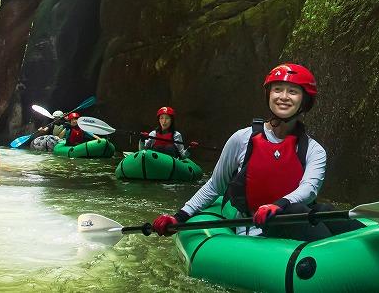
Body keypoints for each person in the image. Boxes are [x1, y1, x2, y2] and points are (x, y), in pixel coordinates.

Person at [150, 63, 361, 241]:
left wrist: (279, 205)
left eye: (293, 91)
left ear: (304, 101)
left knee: (325, 210)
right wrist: (179, 216)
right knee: (294, 212)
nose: (283, 97)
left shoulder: (314, 150)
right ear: (269, 95)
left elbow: (310, 189)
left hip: (292, 220)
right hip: (254, 230)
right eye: (277, 89)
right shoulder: (242, 139)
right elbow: (214, 186)